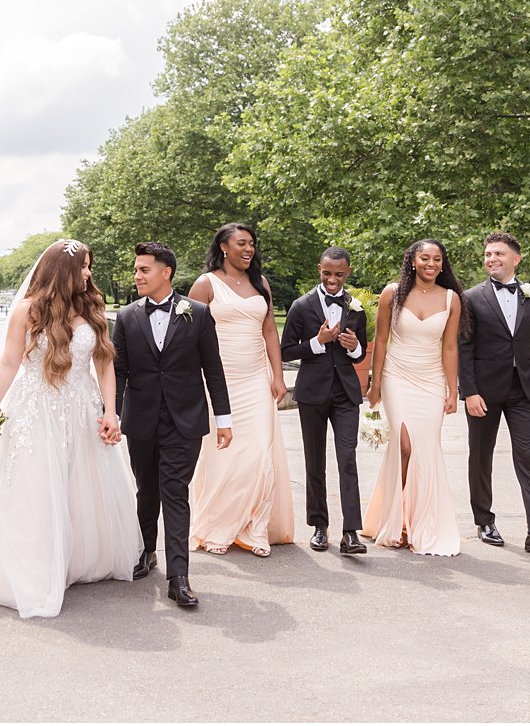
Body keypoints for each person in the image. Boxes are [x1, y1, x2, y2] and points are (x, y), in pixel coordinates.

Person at [0, 239, 141, 618]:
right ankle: (37, 561)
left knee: (82, 483)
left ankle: (79, 559)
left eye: (89, 265)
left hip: (83, 411)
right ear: (63, 270)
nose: (89, 272)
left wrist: (111, 412)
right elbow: (8, 363)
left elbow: (104, 364)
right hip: (36, 409)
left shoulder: (91, 307)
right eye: (84, 266)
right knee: (36, 485)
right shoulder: (27, 310)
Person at [114, 242, 232, 608]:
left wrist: (223, 419)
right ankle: (146, 551)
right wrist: (111, 416)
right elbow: (119, 372)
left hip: (185, 420)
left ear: (166, 273)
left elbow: (213, 369)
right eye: (136, 269)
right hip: (141, 419)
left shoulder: (197, 313)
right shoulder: (127, 316)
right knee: (146, 490)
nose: (137, 276)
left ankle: (178, 576)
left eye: (144, 269)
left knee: (175, 493)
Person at [187, 222, 294, 558]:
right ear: (223, 247)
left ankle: (254, 529)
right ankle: (219, 526)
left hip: (255, 378)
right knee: (225, 456)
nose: (248, 250)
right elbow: (188, 338)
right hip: (220, 380)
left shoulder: (260, 283)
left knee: (261, 454)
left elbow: (270, 333)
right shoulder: (206, 285)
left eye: (252, 244)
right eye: (241, 244)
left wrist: (278, 376)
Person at [458, 231, 530, 554]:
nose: (491, 259)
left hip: (523, 391)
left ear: (515, 259)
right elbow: (463, 349)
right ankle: (484, 521)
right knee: (481, 456)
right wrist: (470, 392)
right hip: (483, 393)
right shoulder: (470, 298)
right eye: (488, 254)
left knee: (528, 457)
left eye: (499, 254)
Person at [361, 239, 466, 557]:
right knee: (404, 445)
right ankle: (397, 521)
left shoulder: (451, 299)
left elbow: (449, 347)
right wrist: (375, 383)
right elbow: (380, 340)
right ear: (412, 261)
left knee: (424, 448)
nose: (431, 264)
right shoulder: (392, 293)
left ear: (442, 264)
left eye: (437, 259)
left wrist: (453, 389)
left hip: (431, 380)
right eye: (425, 258)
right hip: (397, 376)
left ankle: (413, 519)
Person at [280, 246, 370, 556]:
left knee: (348, 459)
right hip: (312, 392)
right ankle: (319, 526)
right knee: (315, 461)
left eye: (339, 274)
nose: (332, 280)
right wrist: (318, 342)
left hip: (345, 392)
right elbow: (286, 351)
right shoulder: (301, 306)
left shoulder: (356, 307)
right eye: (327, 273)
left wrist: (354, 345)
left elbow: (361, 351)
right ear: (319, 268)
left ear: (348, 271)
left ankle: (351, 533)